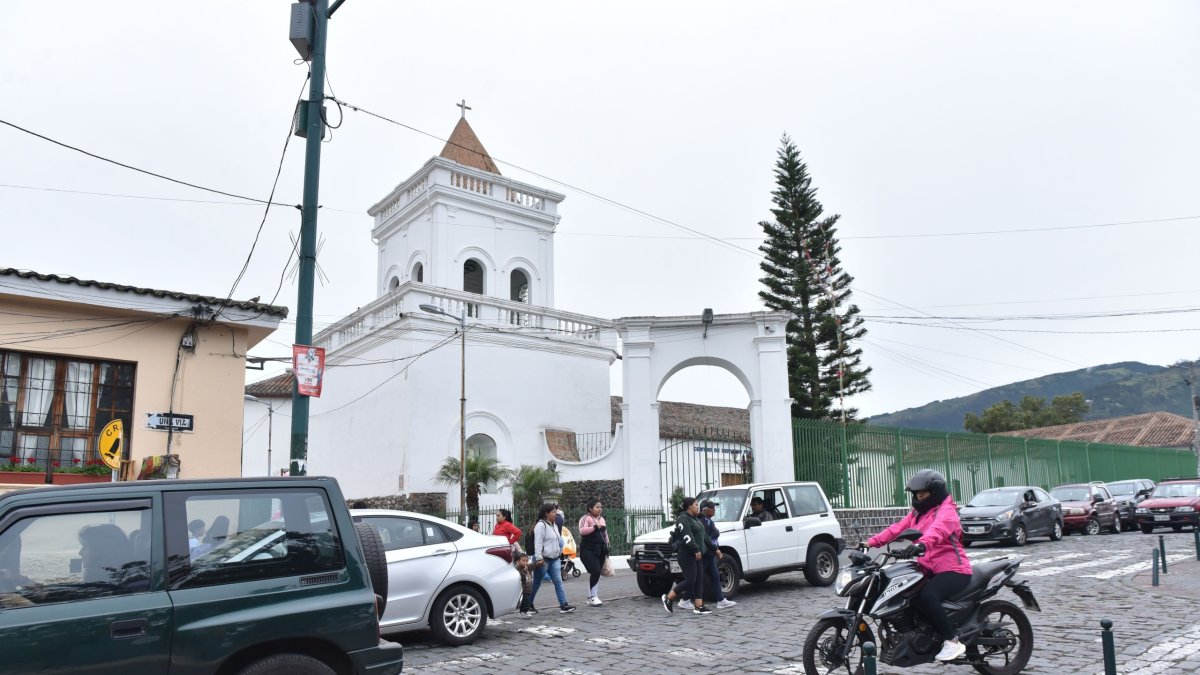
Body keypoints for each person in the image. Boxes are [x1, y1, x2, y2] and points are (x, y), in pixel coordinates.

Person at [866, 469, 972, 662]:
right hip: (929, 567)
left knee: (927, 596)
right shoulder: (917, 514)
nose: (918, 497)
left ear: (935, 493)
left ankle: (951, 640)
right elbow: (897, 528)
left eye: (922, 494)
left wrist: (921, 545)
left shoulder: (946, 511)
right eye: (915, 494)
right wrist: (871, 543)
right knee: (907, 593)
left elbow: (937, 531)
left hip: (954, 570)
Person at [661, 497, 711, 615]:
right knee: (690, 580)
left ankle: (699, 606)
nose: (697, 506)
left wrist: (715, 549)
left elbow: (704, 536)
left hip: (697, 554)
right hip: (687, 554)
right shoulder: (683, 519)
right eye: (695, 504)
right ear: (689, 506)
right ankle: (669, 598)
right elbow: (687, 536)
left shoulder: (696, 519)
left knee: (699, 580)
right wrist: (695, 549)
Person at [529, 503, 575, 613]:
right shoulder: (541, 525)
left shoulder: (554, 525)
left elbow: (557, 540)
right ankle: (527, 604)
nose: (556, 514)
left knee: (558, 581)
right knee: (537, 582)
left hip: (554, 558)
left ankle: (563, 604)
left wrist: (559, 552)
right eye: (553, 512)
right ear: (546, 513)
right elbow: (538, 543)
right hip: (543, 559)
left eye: (556, 512)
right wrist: (539, 558)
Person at [699, 500, 736, 609]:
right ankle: (683, 598)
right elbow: (706, 539)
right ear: (705, 509)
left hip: (710, 554)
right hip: (706, 553)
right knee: (697, 577)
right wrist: (716, 550)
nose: (714, 510)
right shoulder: (703, 522)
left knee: (715, 576)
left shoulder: (709, 521)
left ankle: (721, 600)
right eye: (712, 507)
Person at [577, 498, 610, 607]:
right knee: (595, 570)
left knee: (597, 573)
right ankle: (592, 597)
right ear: (590, 508)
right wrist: (594, 527)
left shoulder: (602, 519)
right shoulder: (585, 518)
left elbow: (605, 534)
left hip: (600, 549)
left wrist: (607, 545)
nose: (599, 509)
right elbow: (582, 531)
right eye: (597, 507)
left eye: (600, 507)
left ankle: (592, 596)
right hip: (587, 549)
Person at [514, 552, 534, 618]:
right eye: (523, 561)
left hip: (528, 587)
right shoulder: (518, 569)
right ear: (518, 561)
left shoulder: (527, 567)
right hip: (523, 588)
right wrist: (525, 572)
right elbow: (521, 577)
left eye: (526, 561)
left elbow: (534, 565)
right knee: (525, 600)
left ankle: (525, 611)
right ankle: (524, 611)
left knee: (527, 600)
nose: (525, 562)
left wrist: (540, 563)